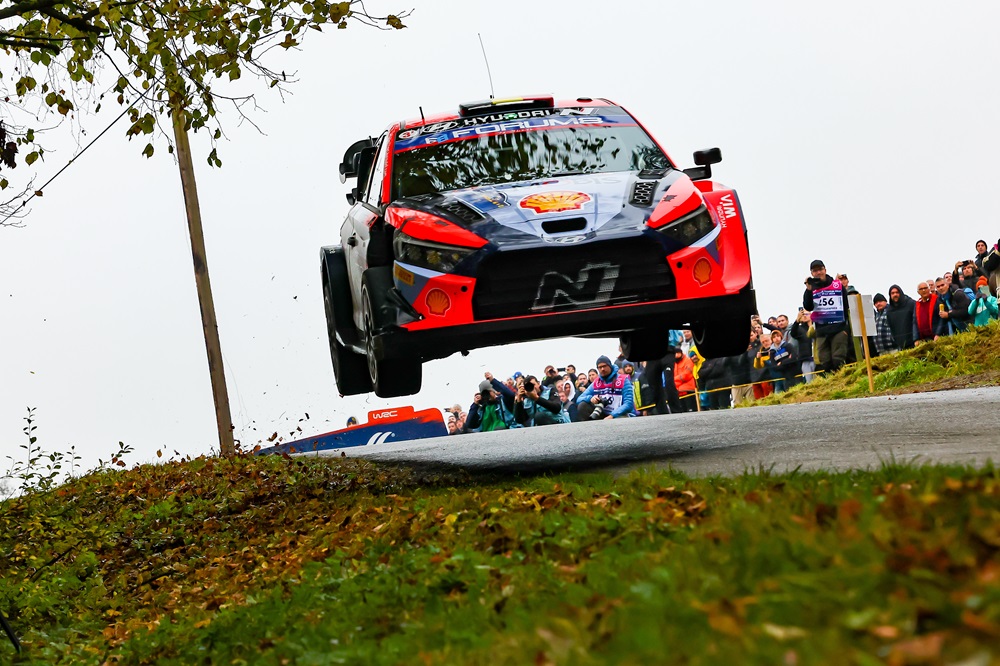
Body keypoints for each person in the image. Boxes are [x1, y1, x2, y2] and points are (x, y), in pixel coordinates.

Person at [802, 259, 850, 373]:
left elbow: (846, 304)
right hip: (821, 330)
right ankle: (832, 381)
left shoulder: (836, 285)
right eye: (815, 271)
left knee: (838, 360)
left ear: (825, 270)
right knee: (825, 362)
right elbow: (808, 306)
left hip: (838, 328)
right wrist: (808, 289)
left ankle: (841, 380)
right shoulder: (811, 288)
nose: (818, 272)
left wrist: (845, 328)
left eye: (820, 269)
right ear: (812, 273)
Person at [576, 355, 637, 420]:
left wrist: (612, 415)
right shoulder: (596, 382)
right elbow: (579, 399)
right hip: (603, 413)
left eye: (604, 366)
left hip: (620, 415)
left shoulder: (623, 380)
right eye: (600, 367)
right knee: (582, 405)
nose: (602, 369)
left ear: (610, 366)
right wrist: (591, 398)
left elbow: (628, 404)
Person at [885, 284, 916, 350]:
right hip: (900, 346)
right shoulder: (889, 310)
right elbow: (891, 327)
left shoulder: (911, 304)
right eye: (892, 293)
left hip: (914, 343)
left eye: (897, 292)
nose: (895, 295)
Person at [789, 308, 815, 382]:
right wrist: (797, 321)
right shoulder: (800, 329)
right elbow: (793, 333)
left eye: (806, 314)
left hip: (818, 357)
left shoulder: (816, 325)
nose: (804, 316)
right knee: (809, 381)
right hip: (806, 359)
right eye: (802, 315)